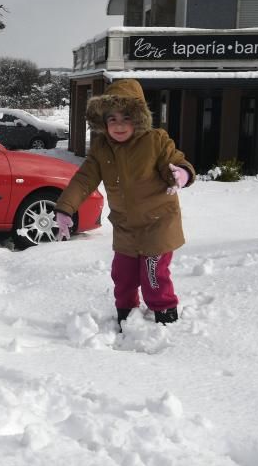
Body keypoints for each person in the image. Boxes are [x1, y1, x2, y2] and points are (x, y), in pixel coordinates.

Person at [53, 79, 195, 328]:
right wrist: (66, 208)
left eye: (126, 118)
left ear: (138, 119)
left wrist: (180, 173)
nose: (118, 126)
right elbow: (84, 180)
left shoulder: (156, 141)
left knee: (153, 275)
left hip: (158, 223)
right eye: (112, 120)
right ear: (103, 122)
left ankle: (165, 316)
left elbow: (174, 160)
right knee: (123, 274)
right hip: (126, 226)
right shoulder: (101, 149)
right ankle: (126, 313)